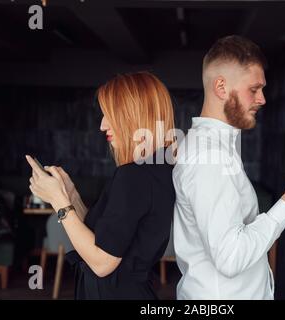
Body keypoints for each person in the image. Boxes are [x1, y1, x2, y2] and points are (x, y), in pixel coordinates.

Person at [173, 35, 285, 300]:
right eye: (254, 89)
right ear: (221, 87)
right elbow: (230, 257)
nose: (262, 99)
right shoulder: (209, 155)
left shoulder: (218, 147)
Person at [26, 71, 176, 299]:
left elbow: (102, 263)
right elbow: (105, 238)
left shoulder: (134, 176)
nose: (102, 125)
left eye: (110, 115)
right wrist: (71, 195)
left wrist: (58, 201)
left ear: (133, 115)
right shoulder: (156, 170)